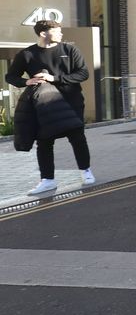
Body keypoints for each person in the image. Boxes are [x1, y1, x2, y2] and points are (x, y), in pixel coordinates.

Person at [5, 20, 94, 195]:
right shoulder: (27, 54)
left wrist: (54, 78)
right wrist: (26, 81)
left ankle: (86, 172)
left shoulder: (70, 50)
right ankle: (48, 180)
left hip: (71, 100)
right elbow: (10, 76)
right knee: (44, 142)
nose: (61, 34)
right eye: (57, 31)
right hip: (44, 104)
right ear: (43, 33)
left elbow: (83, 73)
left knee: (77, 137)